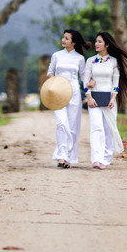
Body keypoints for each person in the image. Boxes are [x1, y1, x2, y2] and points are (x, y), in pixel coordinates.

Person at [84, 31, 127, 170]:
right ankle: (96, 158)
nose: (96, 44)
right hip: (93, 99)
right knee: (96, 128)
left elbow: (115, 83)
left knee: (109, 128)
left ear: (107, 44)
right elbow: (85, 81)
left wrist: (113, 99)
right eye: (96, 41)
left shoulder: (113, 62)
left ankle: (105, 159)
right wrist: (89, 97)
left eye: (100, 41)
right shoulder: (90, 61)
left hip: (109, 100)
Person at [47, 29, 91, 169]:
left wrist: (89, 90)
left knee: (72, 126)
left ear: (74, 42)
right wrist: (55, 82)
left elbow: (84, 78)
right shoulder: (56, 55)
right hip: (58, 93)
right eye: (63, 37)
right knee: (61, 124)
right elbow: (50, 72)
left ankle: (69, 158)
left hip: (74, 94)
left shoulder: (79, 58)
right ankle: (61, 155)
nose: (63, 40)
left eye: (67, 38)